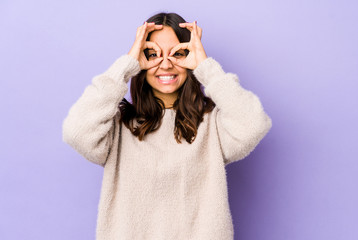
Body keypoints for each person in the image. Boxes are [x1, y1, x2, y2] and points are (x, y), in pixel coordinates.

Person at [62, 12, 272, 240]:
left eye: (177, 54)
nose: (165, 64)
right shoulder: (118, 124)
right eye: (152, 54)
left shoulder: (213, 123)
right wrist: (126, 65)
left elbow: (253, 123)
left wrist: (206, 67)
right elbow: (76, 132)